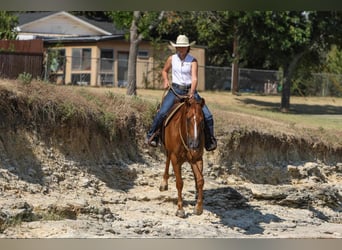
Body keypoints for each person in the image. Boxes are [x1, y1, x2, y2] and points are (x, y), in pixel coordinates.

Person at [145, 34, 217, 151]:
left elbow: (194, 78)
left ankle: (209, 141)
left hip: (190, 90)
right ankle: (152, 136)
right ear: (176, 47)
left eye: (183, 46)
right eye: (179, 46)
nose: (181, 49)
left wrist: (192, 92)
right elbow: (164, 71)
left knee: (208, 116)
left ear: (188, 47)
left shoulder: (193, 61)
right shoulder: (171, 59)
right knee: (162, 112)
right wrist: (166, 80)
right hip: (175, 90)